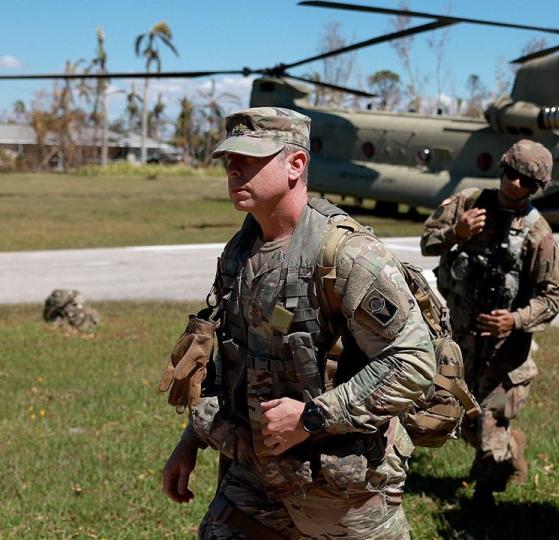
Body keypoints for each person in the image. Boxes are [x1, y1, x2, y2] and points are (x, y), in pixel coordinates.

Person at [160, 107, 436, 539]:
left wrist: (311, 417)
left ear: (296, 164)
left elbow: (415, 360)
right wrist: (189, 441)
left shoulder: (346, 255)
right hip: (255, 473)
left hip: (338, 484)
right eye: (230, 159)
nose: (234, 169)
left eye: (250, 159)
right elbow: (229, 360)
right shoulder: (242, 249)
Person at [420, 139, 559, 507]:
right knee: (462, 418)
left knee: (489, 420)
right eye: (511, 174)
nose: (515, 184)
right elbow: (427, 242)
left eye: (527, 182)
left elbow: (553, 297)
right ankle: (511, 448)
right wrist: (457, 232)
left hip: (505, 348)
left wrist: (515, 320)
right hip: (460, 338)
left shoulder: (538, 234)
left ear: (537, 188)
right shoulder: (467, 203)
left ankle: (484, 502)